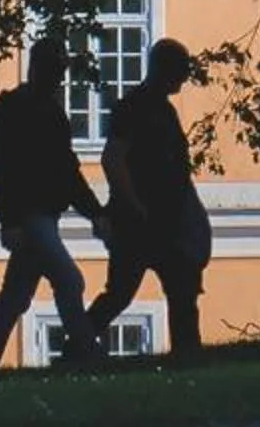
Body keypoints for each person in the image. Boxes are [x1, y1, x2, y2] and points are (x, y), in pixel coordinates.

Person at [0, 34, 106, 373]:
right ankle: (87, 354)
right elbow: (2, 168)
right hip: (31, 218)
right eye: (55, 70)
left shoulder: (46, 112)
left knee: (14, 298)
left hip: (40, 216)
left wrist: (95, 212)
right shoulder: (15, 109)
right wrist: (9, 220)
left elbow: (67, 173)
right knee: (69, 281)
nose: (58, 78)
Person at [82, 37, 210, 361]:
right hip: (140, 219)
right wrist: (134, 204)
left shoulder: (157, 109)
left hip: (160, 217)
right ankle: (78, 346)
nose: (183, 80)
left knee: (174, 291)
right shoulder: (136, 108)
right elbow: (113, 159)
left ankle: (78, 347)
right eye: (180, 72)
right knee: (128, 293)